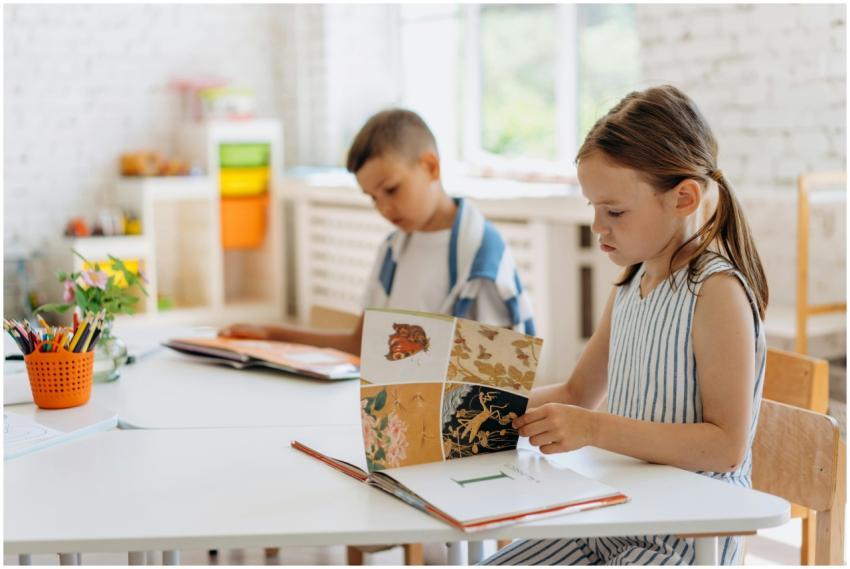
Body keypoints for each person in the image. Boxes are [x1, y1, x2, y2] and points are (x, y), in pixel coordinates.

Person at [483, 85, 768, 566]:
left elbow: (725, 448)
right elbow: (576, 393)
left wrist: (594, 429)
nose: (598, 227)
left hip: (686, 538)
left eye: (614, 211)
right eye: (593, 208)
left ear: (683, 198)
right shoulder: (630, 283)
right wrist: (474, 410)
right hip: (611, 518)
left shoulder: (716, 293)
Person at [220, 109, 535, 353]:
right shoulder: (392, 250)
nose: (384, 208)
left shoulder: (482, 260)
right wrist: (272, 334)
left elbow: (498, 372)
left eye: (391, 189)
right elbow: (363, 345)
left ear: (430, 167)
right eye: (373, 198)